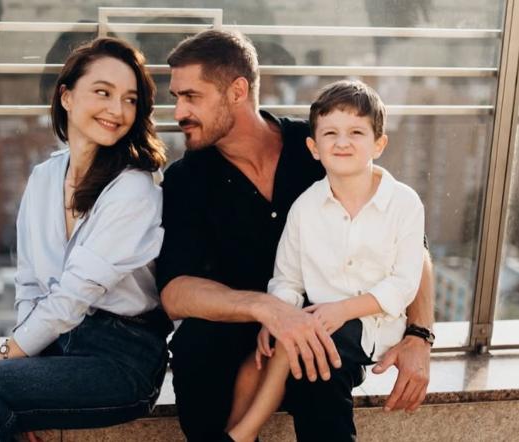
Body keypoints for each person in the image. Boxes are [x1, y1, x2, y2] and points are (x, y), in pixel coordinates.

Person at [156, 30, 435, 442]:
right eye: (176, 97)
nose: (179, 111)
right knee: (196, 349)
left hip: (334, 321)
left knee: (319, 360)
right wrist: (267, 310)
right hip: (245, 328)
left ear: (237, 91)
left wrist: (419, 336)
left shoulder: (324, 142)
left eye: (191, 96)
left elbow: (409, 245)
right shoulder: (186, 179)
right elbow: (175, 292)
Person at [0, 37, 171, 441]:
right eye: (103, 92)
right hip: (60, 343)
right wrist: (21, 370)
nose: (117, 110)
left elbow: (72, 297)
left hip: (122, 358)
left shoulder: (133, 188)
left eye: (130, 100)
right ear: (66, 96)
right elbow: (29, 282)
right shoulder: (45, 178)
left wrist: (7, 362)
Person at [225, 80, 426, 442]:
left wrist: (342, 310)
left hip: (376, 329)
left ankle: (242, 434)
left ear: (379, 144)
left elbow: (403, 283)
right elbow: (287, 279)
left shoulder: (404, 203)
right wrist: (276, 315)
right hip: (320, 324)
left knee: (304, 345)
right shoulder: (305, 208)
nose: (342, 142)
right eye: (330, 133)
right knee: (290, 363)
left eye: (356, 132)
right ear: (314, 148)